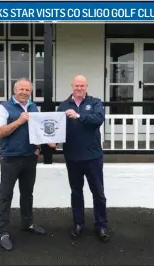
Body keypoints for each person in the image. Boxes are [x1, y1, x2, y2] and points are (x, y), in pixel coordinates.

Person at [49, 75, 109, 242]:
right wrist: (53, 140)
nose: (79, 88)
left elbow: (98, 119)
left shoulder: (95, 102)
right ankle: (78, 224)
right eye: (77, 85)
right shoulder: (63, 106)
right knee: (76, 192)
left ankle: (101, 226)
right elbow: (56, 127)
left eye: (82, 85)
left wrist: (78, 116)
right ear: (72, 86)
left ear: (86, 86)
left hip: (93, 156)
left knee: (98, 193)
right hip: (73, 156)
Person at [0, 78, 46, 251]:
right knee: (6, 195)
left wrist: (38, 148)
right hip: (11, 158)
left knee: (27, 193)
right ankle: (2, 232)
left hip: (30, 157)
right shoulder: (4, 108)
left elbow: (37, 130)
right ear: (14, 90)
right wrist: (19, 121)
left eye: (27, 90)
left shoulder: (32, 107)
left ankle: (27, 223)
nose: (24, 92)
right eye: (21, 89)